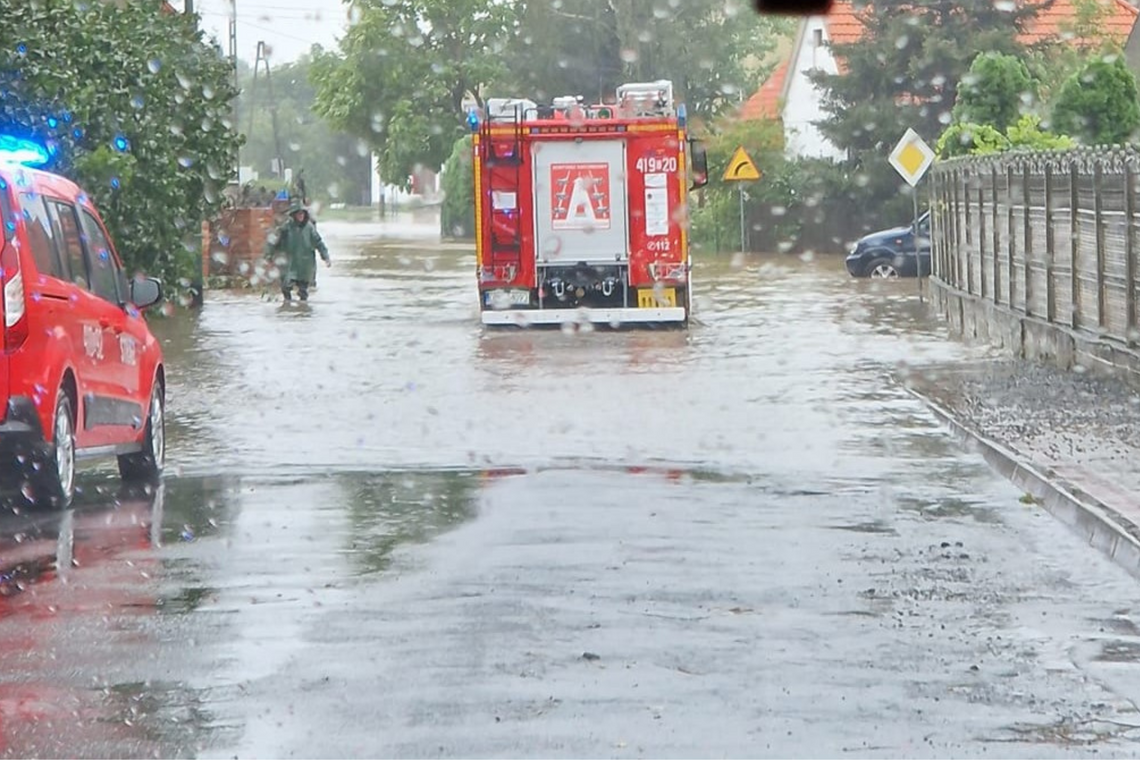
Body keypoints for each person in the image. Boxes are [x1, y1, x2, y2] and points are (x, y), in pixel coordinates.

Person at [265, 200, 330, 302]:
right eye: (299, 214)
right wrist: (269, 255)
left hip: (305, 265)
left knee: (303, 292)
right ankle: (288, 307)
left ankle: (302, 311)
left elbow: (319, 243)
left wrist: (326, 257)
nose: (301, 216)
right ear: (294, 215)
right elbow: (273, 241)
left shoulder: (309, 228)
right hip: (289, 264)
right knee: (286, 288)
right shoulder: (286, 227)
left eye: (303, 213)